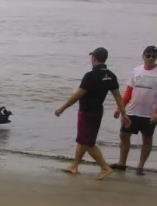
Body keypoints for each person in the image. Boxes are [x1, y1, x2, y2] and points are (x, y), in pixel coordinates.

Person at [55, 47, 130, 180]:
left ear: (94, 58)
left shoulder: (90, 76)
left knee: (87, 142)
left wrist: (62, 108)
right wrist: (124, 114)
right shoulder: (111, 75)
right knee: (82, 140)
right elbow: (118, 96)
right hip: (97, 112)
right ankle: (74, 165)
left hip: (86, 113)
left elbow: (78, 95)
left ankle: (105, 167)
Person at [110, 45, 157, 176]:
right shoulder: (136, 70)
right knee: (123, 135)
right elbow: (128, 93)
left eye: (154, 56)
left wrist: (156, 113)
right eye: (148, 56)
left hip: (149, 114)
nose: (151, 58)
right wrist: (120, 108)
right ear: (143, 56)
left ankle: (140, 166)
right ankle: (122, 163)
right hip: (131, 111)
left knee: (147, 139)